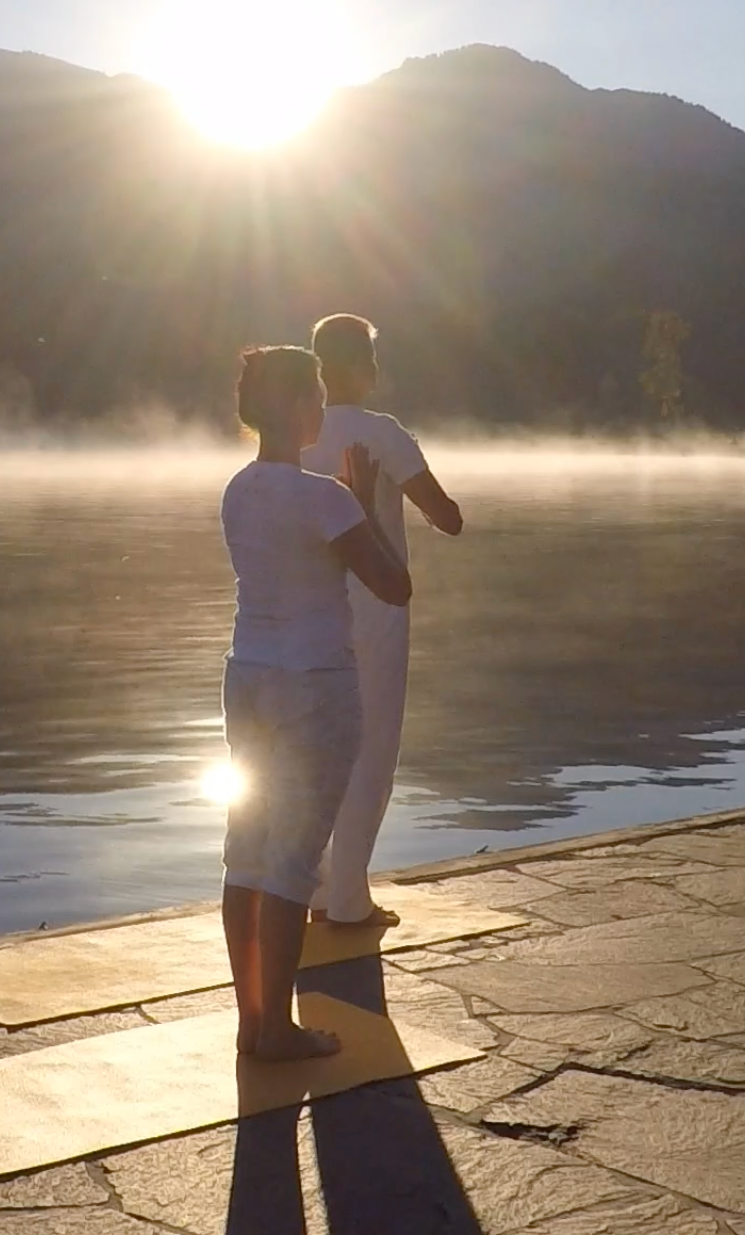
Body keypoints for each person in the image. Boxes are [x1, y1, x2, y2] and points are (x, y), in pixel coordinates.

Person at [219, 345, 411, 1061]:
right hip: (315, 685)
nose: (323, 410)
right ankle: (275, 1031)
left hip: (247, 675)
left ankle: (252, 1021)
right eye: (318, 399)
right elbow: (394, 585)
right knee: (295, 862)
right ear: (301, 409)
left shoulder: (238, 489)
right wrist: (362, 504)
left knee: (245, 856)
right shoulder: (323, 498)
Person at [301, 314, 463, 927]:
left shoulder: (300, 433)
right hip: (375, 605)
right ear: (367, 370)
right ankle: (348, 898)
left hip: (310, 609)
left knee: (315, 748)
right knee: (372, 749)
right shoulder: (381, 433)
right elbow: (446, 518)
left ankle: (312, 887)